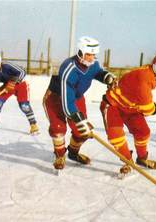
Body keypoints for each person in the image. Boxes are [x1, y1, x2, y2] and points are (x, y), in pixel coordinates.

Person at [42, 36, 117, 170]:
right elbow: (66, 104)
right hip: (55, 99)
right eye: (88, 54)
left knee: (82, 132)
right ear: (81, 52)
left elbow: (97, 72)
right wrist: (79, 120)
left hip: (76, 97)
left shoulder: (93, 64)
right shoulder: (68, 68)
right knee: (59, 128)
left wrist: (106, 77)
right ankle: (60, 155)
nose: (92, 58)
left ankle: (73, 153)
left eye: (93, 55)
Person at [100, 52, 156, 175]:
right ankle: (128, 161)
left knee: (143, 131)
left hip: (130, 108)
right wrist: (154, 108)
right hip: (114, 105)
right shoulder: (144, 78)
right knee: (116, 136)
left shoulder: (149, 72)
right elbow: (147, 109)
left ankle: (142, 158)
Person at [0, 53, 39, 134]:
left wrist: (14, 81)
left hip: (21, 84)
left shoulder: (7, 65)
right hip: (7, 86)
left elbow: (22, 71)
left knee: (24, 105)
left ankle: (33, 125)